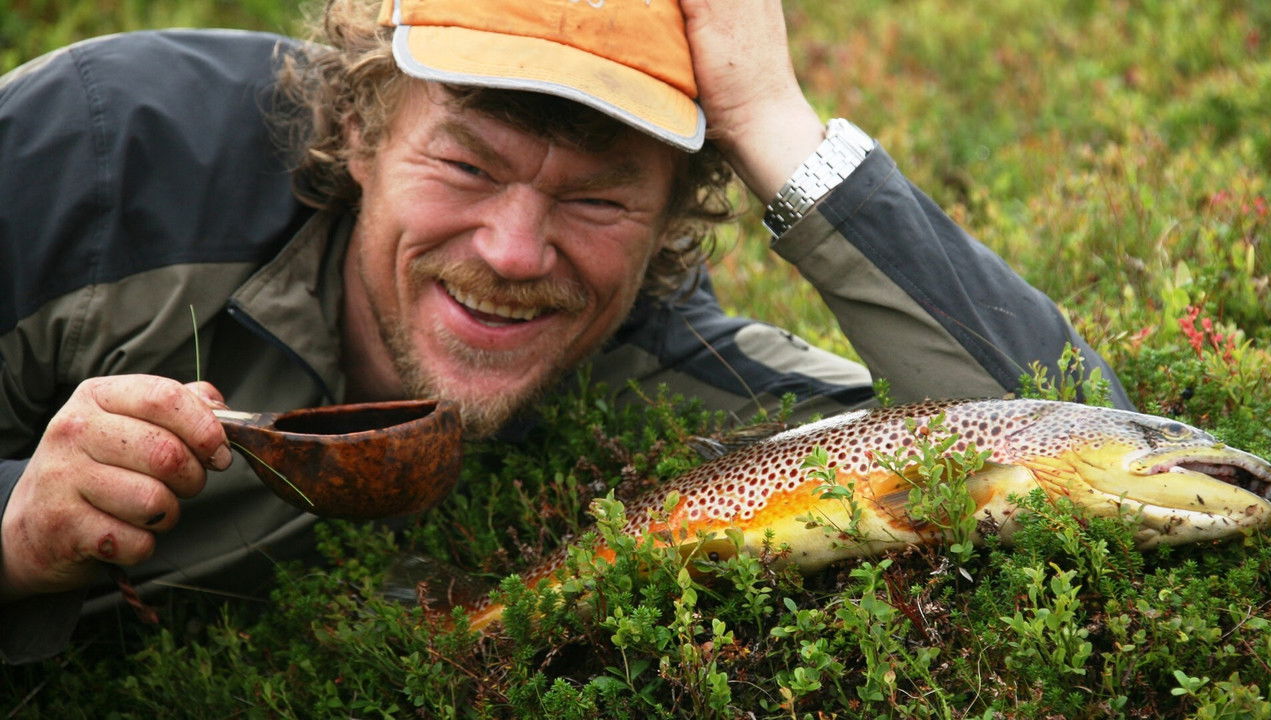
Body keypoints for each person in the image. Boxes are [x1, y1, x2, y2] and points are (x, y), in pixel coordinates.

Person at [0, 0, 1128, 663]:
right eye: (464, 163)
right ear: (355, 124)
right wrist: (10, 526)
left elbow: (1089, 444)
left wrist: (772, 122)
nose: (512, 252)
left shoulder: (665, 370)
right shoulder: (96, 157)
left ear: (675, 214)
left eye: (598, 197)